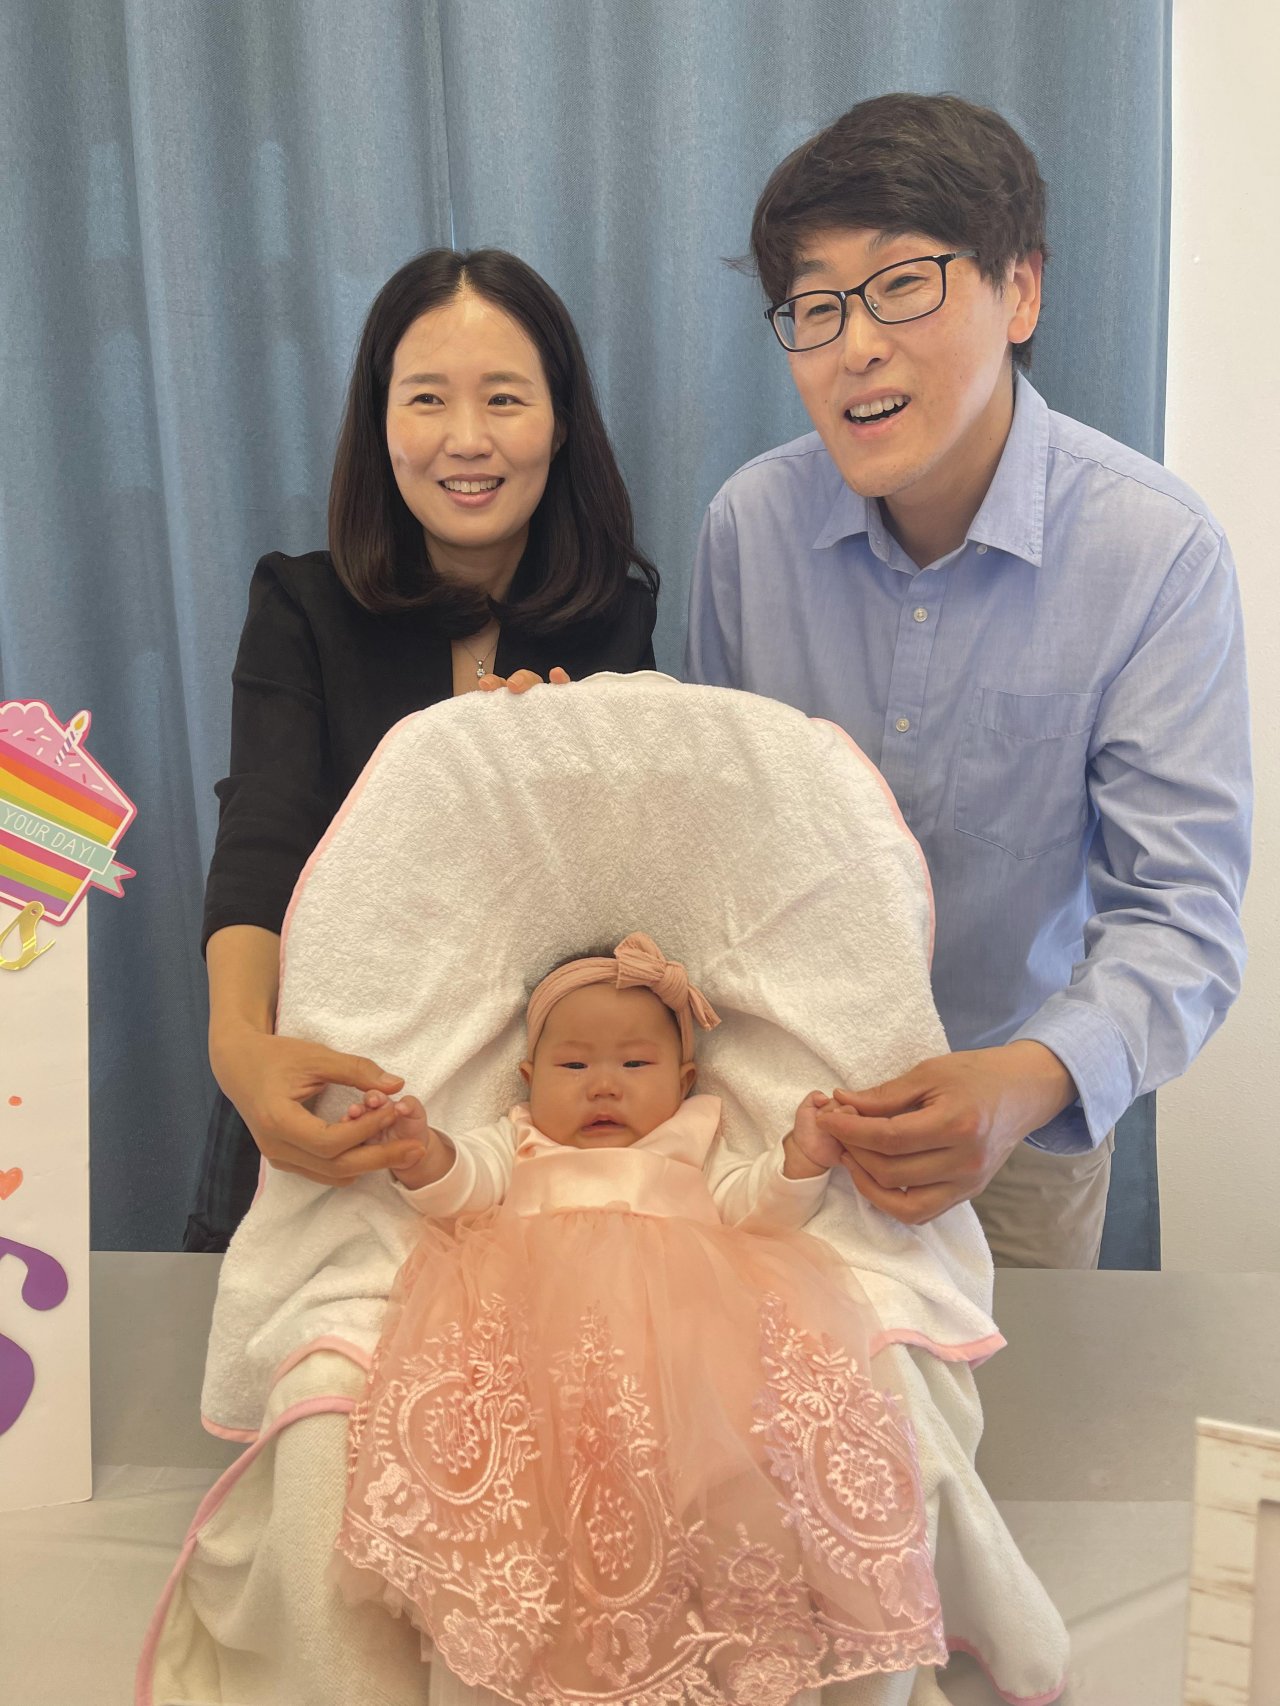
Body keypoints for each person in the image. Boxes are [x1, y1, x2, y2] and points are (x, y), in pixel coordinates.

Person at [685, 92, 1250, 1269]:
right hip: (783, 1114)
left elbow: (1179, 916)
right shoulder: (747, 528)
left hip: (1021, 1122)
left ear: (1019, 291)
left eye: (901, 284)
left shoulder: (1154, 553)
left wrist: (1024, 1081)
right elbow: (710, 844)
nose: (853, 343)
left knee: (1023, 1387)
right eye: (814, 305)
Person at [185, 249, 659, 1251]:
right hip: (325, 1085)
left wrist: (564, 784)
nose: (467, 439)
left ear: (559, 421)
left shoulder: (614, 620)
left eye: (504, 398)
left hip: (514, 1132)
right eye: (427, 399)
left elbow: (625, 900)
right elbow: (263, 830)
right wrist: (238, 1050)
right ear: (380, 421)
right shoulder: (299, 605)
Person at [333, 932, 947, 1703]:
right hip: (540, 1340)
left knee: (730, 1478)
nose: (603, 1087)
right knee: (527, 1488)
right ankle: (542, 1641)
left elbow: (755, 1211)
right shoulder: (519, 1140)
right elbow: (463, 1194)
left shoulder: (692, 1141)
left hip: (685, 1345)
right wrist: (420, 1152)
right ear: (528, 1079)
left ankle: (706, 1638)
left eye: (634, 1065)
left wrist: (802, 1156)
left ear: (685, 1082)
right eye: (573, 1066)